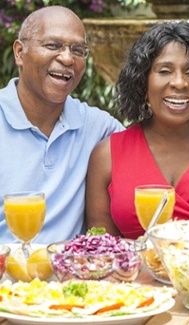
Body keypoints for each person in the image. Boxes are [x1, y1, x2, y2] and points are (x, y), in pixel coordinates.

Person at [86, 21, 189, 239]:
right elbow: (101, 249)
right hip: (134, 273)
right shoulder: (106, 156)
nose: (179, 82)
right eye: (165, 71)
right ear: (143, 81)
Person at [0, 6, 124, 244]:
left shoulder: (98, 127)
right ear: (19, 53)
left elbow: (153, 150)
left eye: (78, 50)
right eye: (53, 45)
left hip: (69, 276)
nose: (67, 58)